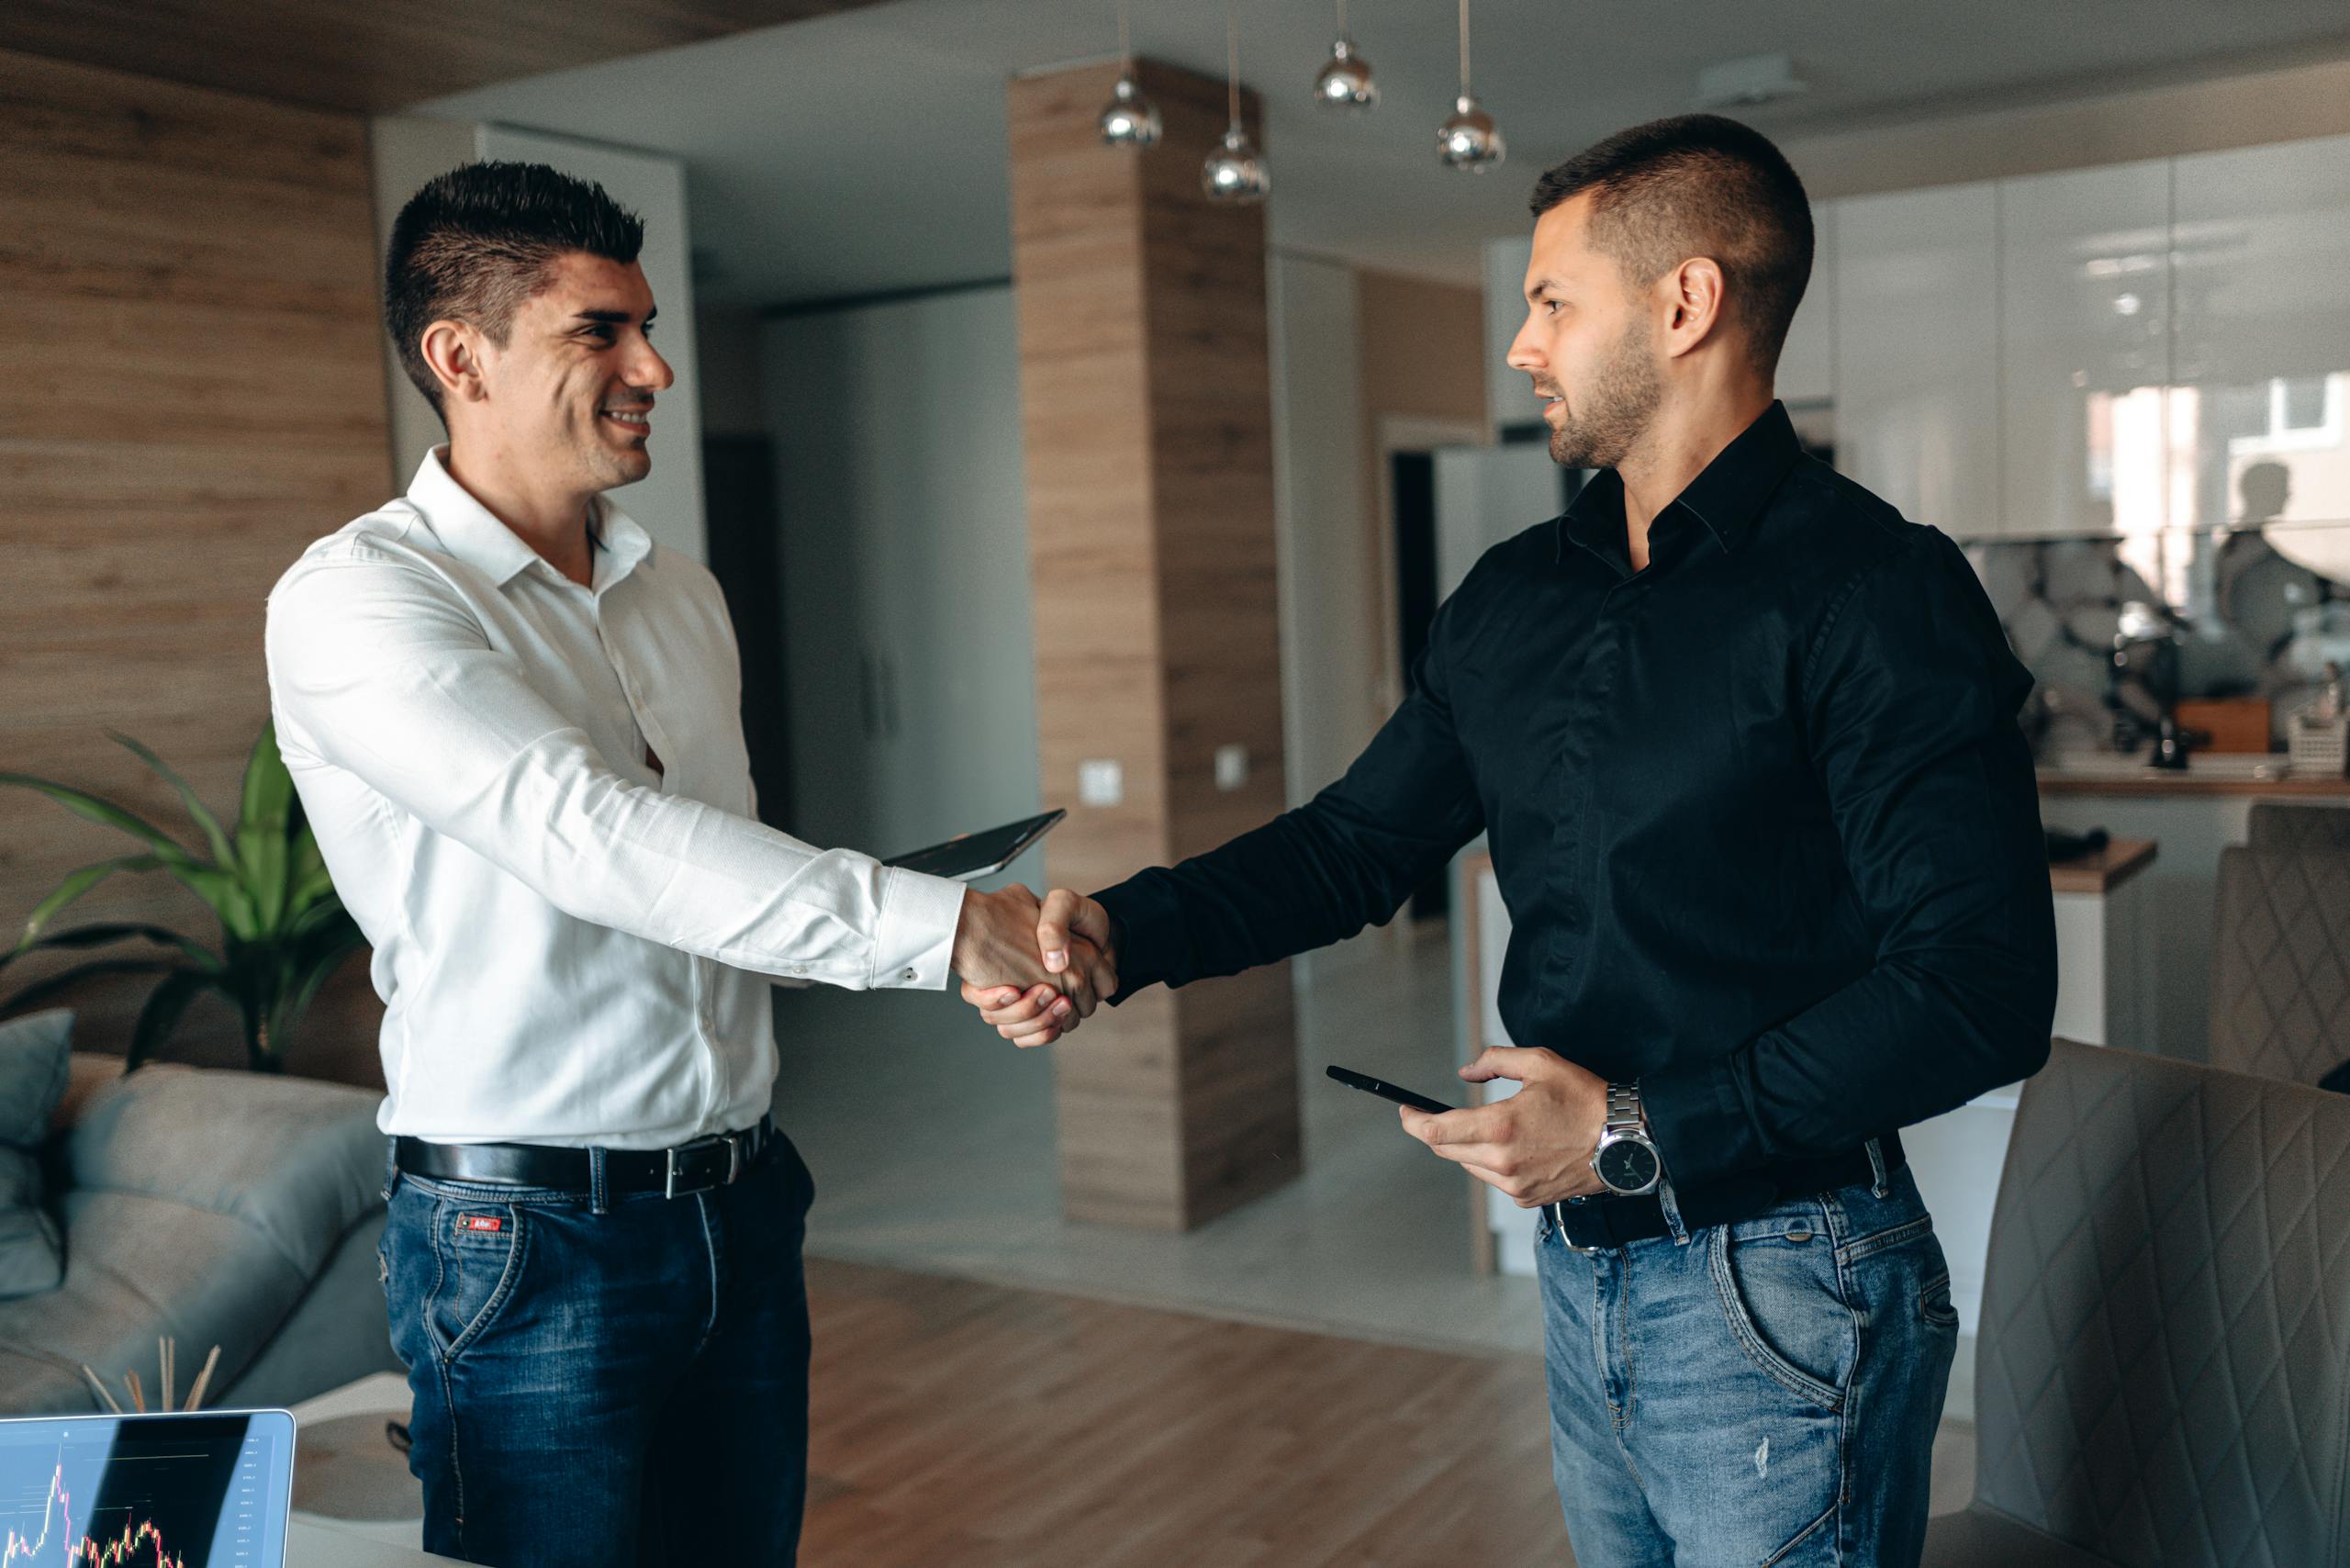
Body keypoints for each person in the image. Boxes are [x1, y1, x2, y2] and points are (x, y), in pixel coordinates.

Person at [968, 115, 2055, 1565]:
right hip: (1584, 1272)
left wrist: (1630, 1133)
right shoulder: (1510, 597)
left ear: (1686, 303)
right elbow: (1355, 844)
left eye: (1552, 301)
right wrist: (1123, 930)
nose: (1520, 345)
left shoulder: (1875, 590)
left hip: (1785, 1278)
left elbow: (1981, 986)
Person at [264, 162, 1112, 1567]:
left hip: (744, 1202)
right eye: (599, 331)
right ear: (459, 357)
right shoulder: (360, 600)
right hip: (528, 1239)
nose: (654, 368)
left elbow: (711, 885)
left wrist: (962, 961)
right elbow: (589, 834)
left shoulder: (682, 595)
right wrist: (947, 929)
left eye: (648, 326)